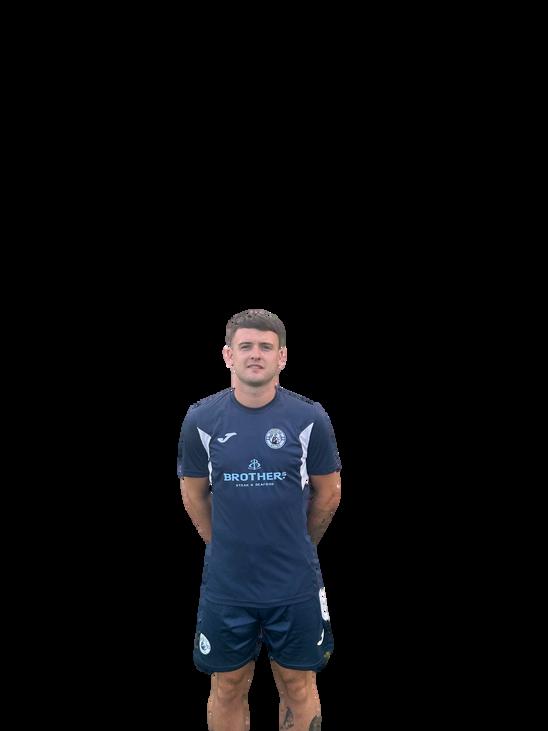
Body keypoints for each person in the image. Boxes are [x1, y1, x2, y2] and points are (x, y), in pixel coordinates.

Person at [177, 309, 341, 731]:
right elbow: (193, 494)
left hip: (293, 581)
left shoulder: (310, 418)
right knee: (228, 685)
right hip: (228, 584)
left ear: (282, 357)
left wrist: (297, 542)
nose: (256, 354)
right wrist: (223, 544)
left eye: (266, 347)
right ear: (227, 355)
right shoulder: (201, 420)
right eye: (246, 346)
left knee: (298, 685)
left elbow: (328, 493)